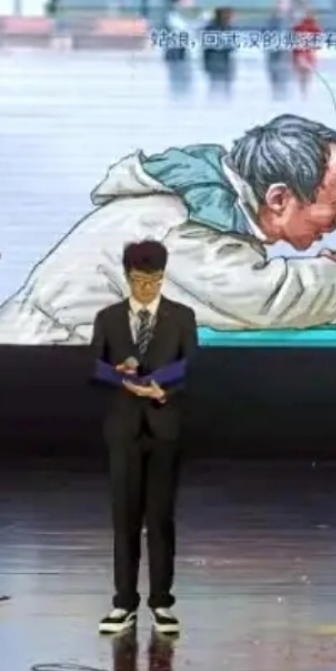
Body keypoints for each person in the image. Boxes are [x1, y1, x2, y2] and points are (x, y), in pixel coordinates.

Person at [0, 115, 336, 343]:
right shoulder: (183, 229)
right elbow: (263, 299)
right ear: (278, 198)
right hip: (24, 373)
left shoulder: (195, 210)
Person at [92, 240, 199, 635]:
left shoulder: (181, 317)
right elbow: (93, 367)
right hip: (124, 430)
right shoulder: (108, 318)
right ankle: (124, 602)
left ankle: (162, 602)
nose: (146, 289)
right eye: (139, 281)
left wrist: (162, 390)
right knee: (124, 519)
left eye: (153, 281)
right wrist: (116, 374)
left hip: (163, 428)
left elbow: (191, 367)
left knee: (160, 518)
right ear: (127, 277)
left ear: (163, 277)